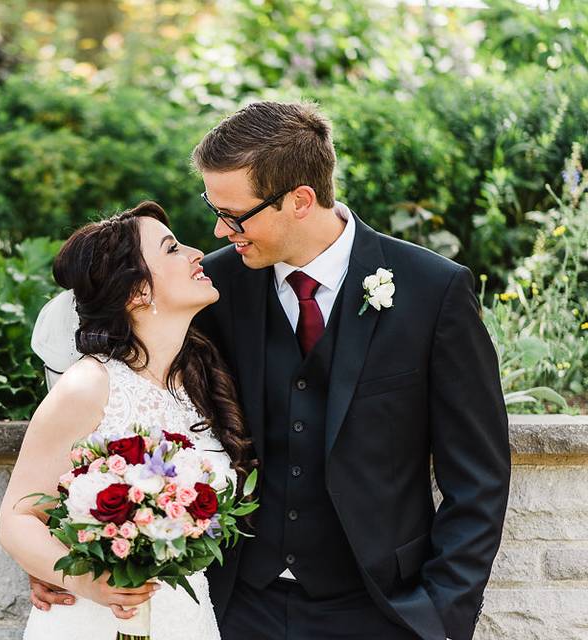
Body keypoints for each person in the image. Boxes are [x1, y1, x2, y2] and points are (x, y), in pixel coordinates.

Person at [29, 101, 511, 640]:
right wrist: (61, 553)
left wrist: (441, 614)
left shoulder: (433, 289)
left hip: (381, 609)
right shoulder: (209, 289)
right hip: (233, 605)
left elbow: (478, 477)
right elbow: (120, 395)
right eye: (214, 208)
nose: (217, 229)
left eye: (234, 214)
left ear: (300, 200)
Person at [0, 201, 257, 640]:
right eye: (173, 249)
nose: (197, 253)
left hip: (187, 620)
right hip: (96, 621)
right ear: (138, 291)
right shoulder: (89, 386)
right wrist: (85, 582)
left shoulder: (199, 386)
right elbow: (17, 518)